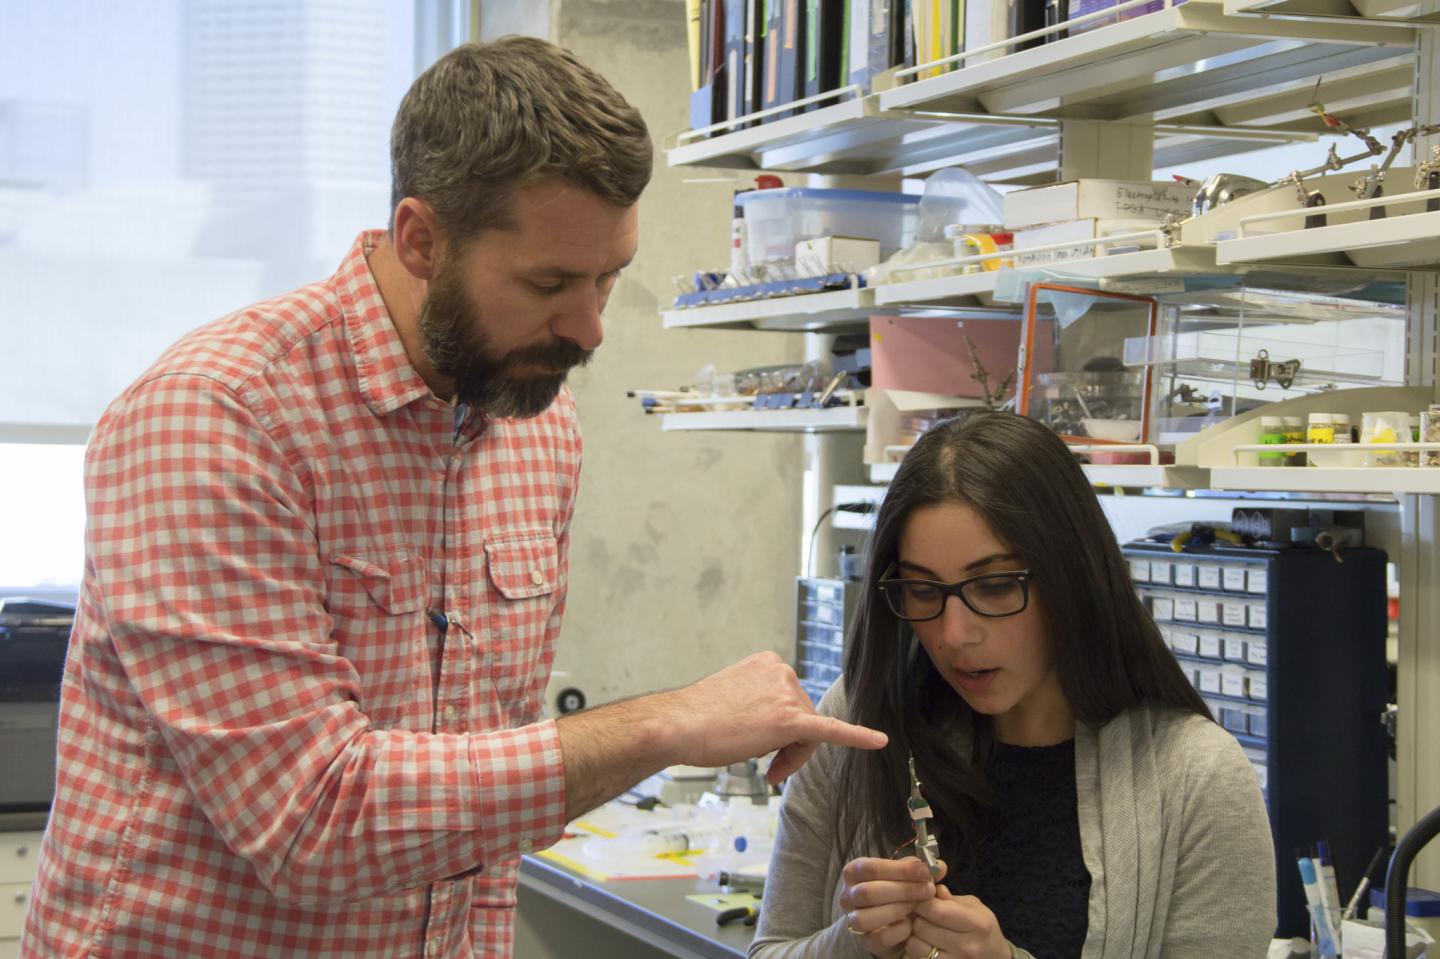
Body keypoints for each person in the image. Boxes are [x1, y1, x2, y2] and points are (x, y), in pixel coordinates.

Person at [20, 37, 885, 959]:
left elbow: (470, 814)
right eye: (550, 283)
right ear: (421, 239)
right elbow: (313, 818)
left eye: (609, 278)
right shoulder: (216, 419)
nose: (589, 327)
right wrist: (666, 723)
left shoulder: (535, 428)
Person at [750, 412, 1276, 959]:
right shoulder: (861, 722)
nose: (955, 635)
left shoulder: (1197, 778)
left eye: (997, 585)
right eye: (923, 591)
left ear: (1072, 577)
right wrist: (852, 944)